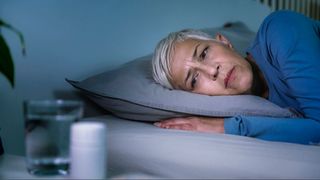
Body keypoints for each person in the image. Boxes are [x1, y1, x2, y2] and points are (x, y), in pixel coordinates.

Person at [151, 10, 320, 145]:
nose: (212, 71)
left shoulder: (280, 29)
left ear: (224, 41)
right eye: (194, 80)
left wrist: (227, 126)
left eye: (204, 53)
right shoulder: (259, 109)